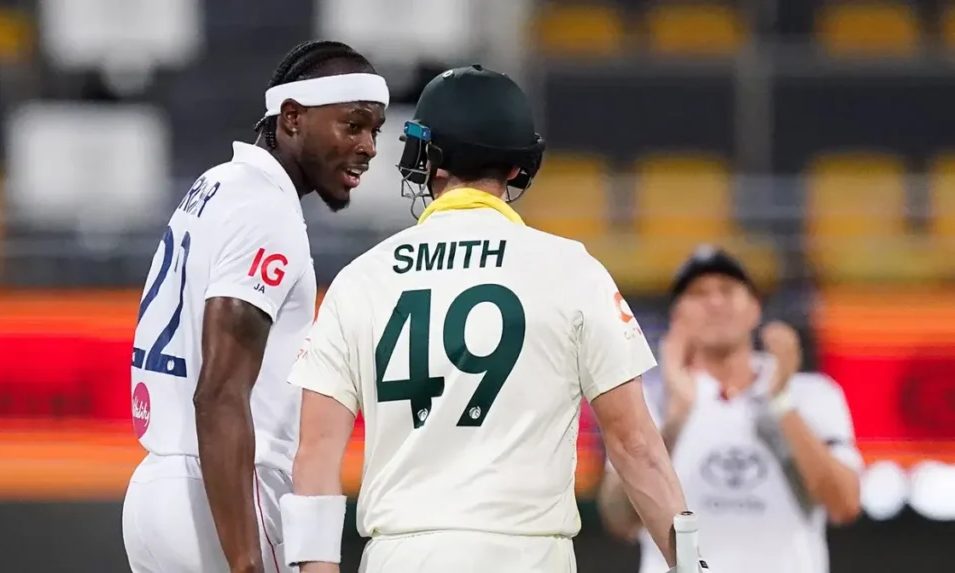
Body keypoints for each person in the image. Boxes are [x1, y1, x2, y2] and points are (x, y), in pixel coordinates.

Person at [281, 65, 696, 573]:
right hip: (529, 554)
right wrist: (694, 563)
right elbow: (635, 447)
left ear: (425, 160)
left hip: (401, 555)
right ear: (520, 168)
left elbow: (315, 456)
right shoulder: (572, 270)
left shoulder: (359, 280)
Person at [121, 40, 388, 573]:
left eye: (375, 130)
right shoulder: (267, 208)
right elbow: (219, 392)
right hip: (219, 497)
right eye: (352, 125)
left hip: (156, 491)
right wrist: (244, 560)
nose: (369, 147)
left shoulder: (216, 183)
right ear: (292, 118)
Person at [597, 246, 863, 573]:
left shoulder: (810, 393)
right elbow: (618, 519)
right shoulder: (647, 398)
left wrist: (780, 403)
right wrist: (676, 419)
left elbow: (845, 505)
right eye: (698, 293)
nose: (715, 302)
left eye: (728, 290)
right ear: (677, 316)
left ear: (755, 308)